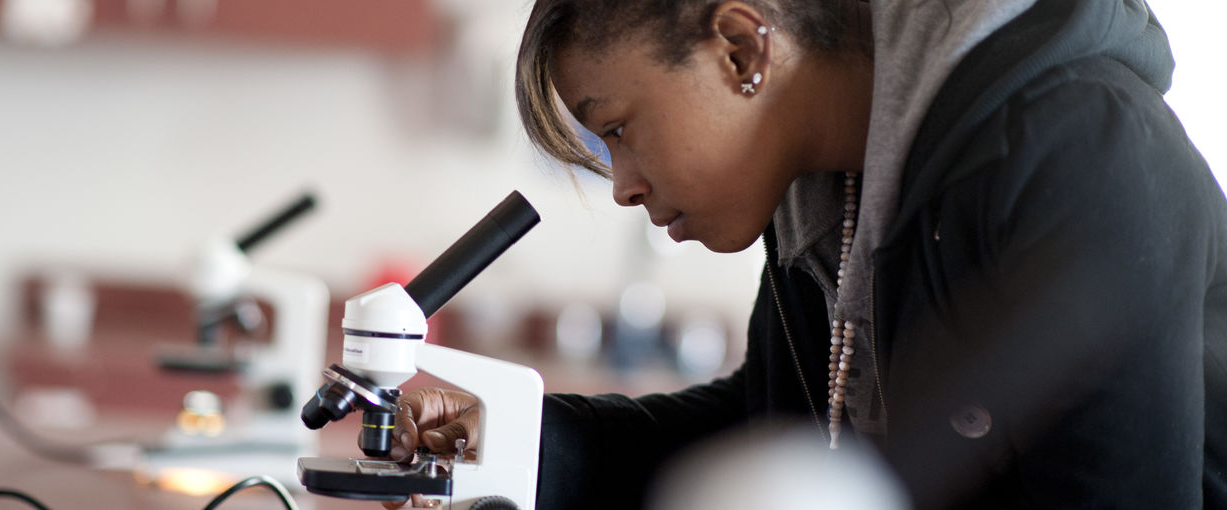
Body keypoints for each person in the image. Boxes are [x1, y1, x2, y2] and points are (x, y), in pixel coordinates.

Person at [386, 0, 1226, 508]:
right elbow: (773, 434)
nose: (624, 186)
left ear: (742, 49)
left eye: (618, 129)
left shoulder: (1080, 150)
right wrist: (520, 442)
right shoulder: (825, 193)